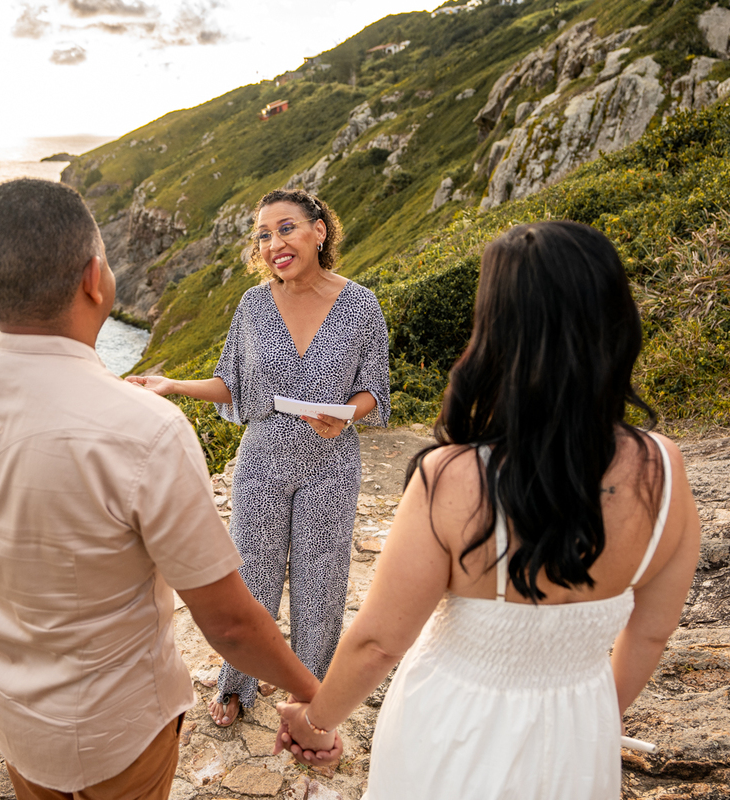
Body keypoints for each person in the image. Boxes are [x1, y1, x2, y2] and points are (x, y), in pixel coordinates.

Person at [0, 178, 324, 800]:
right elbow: (228, 623)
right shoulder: (145, 428)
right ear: (96, 279)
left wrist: (11, 629)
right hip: (122, 726)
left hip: (15, 717)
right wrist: (316, 698)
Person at [276, 221, 702, 798]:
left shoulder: (452, 477)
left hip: (451, 732)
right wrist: (590, 721)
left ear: (498, 330)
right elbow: (650, 635)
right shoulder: (665, 469)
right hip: (580, 732)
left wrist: (315, 722)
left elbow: (379, 643)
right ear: (615, 322)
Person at [127, 189, 391, 727]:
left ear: (320, 230)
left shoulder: (361, 304)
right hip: (263, 464)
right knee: (253, 578)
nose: (274, 244)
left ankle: (311, 690)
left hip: (330, 465)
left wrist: (346, 413)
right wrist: (174, 383)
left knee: (323, 579)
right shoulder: (252, 306)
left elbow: (376, 392)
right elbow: (232, 383)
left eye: (286, 228)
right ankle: (237, 683)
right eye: (264, 235)